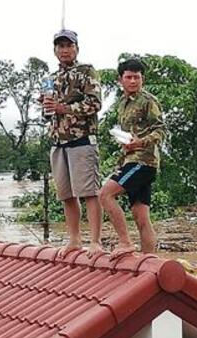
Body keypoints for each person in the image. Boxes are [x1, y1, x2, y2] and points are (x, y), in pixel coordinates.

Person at [42, 29, 103, 257]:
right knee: (66, 195)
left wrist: (63, 107)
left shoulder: (86, 72)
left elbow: (94, 104)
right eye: (60, 46)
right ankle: (75, 239)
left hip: (82, 139)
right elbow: (47, 114)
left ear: (77, 48)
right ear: (55, 50)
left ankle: (95, 241)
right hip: (58, 142)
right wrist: (47, 106)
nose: (65, 50)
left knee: (89, 192)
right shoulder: (50, 78)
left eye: (69, 45)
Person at [99, 58, 165, 258]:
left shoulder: (148, 101)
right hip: (130, 160)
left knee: (105, 194)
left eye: (137, 77)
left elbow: (161, 130)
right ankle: (149, 261)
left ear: (142, 78)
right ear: (121, 80)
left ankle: (125, 242)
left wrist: (140, 142)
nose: (133, 81)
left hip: (143, 161)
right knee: (141, 216)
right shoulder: (122, 104)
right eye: (129, 77)